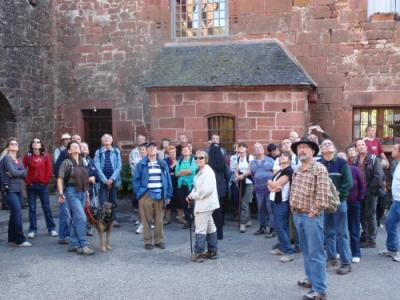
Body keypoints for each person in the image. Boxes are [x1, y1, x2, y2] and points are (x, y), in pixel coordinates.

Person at [290, 137, 330, 300]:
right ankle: (310, 279)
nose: (302, 150)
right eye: (300, 148)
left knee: (316, 253)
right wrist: (293, 209)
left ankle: (319, 290)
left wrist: (313, 213)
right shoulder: (297, 169)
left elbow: (323, 196)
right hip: (298, 215)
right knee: (306, 251)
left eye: (306, 147)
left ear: (313, 151)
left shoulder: (319, 169)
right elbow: (293, 190)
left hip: (311, 217)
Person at [318, 139, 353, 275]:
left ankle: (346, 263)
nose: (327, 145)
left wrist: (338, 196)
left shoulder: (342, 163)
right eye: (324, 144)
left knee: (342, 233)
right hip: (324, 203)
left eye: (330, 143)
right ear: (321, 149)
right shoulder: (318, 164)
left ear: (334, 148)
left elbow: (348, 183)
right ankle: (332, 258)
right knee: (328, 232)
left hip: (339, 203)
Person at [133, 142, 173, 250]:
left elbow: (168, 180)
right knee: (146, 220)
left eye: (154, 147)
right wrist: (139, 194)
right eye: (149, 148)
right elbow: (135, 180)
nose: (152, 149)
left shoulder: (163, 164)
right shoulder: (141, 164)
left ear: (157, 150)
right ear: (146, 151)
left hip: (160, 194)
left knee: (159, 219)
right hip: (146, 194)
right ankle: (147, 241)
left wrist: (168, 195)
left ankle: (159, 240)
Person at [57, 141, 94, 255]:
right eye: (73, 146)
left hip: (82, 191)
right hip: (71, 192)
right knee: (82, 218)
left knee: (76, 218)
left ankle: (73, 244)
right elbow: (60, 179)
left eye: (77, 146)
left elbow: (85, 177)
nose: (76, 148)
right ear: (69, 151)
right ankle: (82, 245)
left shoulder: (83, 161)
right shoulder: (66, 163)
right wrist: (61, 193)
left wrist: (87, 193)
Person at [186, 150, 219, 262]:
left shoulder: (207, 171)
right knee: (210, 227)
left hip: (205, 204)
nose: (198, 160)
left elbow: (206, 191)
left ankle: (198, 252)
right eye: (196, 158)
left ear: (206, 159)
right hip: (207, 204)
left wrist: (193, 196)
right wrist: (190, 195)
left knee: (200, 228)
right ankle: (212, 251)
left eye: (201, 158)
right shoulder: (201, 170)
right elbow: (197, 188)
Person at [23, 137, 57, 239]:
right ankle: (32, 229)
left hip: (43, 186)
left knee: (46, 208)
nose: (36, 143)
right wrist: (28, 182)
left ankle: (51, 228)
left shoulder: (46, 156)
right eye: (34, 142)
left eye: (38, 142)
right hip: (31, 185)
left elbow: (49, 171)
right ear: (31, 145)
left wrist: (45, 182)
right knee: (32, 208)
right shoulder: (28, 157)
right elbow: (22, 170)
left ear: (41, 145)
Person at [353, 138, 385, 248]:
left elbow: (379, 176)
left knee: (370, 215)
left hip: (371, 192)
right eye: (359, 145)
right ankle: (365, 235)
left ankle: (372, 240)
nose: (361, 146)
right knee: (362, 215)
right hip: (359, 192)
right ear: (356, 148)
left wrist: (370, 190)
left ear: (366, 147)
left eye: (363, 144)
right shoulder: (355, 160)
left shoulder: (373, 158)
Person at [0, 138, 30, 247]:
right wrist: (19, 173)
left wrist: (16, 173)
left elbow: (24, 173)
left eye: (15, 144)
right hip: (9, 190)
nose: (13, 145)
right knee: (17, 213)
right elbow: (14, 172)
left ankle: (11, 237)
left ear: (18, 147)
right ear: (8, 147)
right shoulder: (7, 159)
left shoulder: (18, 159)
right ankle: (20, 240)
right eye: (11, 144)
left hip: (18, 189)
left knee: (14, 213)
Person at [337, 152, 365, 264]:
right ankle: (339, 251)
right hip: (338, 203)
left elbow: (362, 186)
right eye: (339, 158)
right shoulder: (335, 172)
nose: (341, 160)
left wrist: (359, 199)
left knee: (354, 229)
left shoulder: (354, 169)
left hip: (353, 203)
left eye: (343, 157)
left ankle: (356, 253)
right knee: (339, 229)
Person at [268, 151, 295, 263]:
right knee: (281, 226)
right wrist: (271, 185)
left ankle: (289, 251)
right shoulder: (280, 171)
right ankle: (282, 248)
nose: (281, 157)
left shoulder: (288, 171)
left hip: (281, 202)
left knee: (279, 226)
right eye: (281, 156)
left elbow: (273, 184)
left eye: (285, 156)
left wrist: (269, 182)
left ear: (289, 160)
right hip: (274, 200)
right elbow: (271, 187)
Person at [94, 134, 122, 227]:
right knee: (103, 201)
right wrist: (105, 180)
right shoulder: (98, 152)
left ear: (112, 140)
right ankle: (105, 221)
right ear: (102, 141)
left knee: (113, 200)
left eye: (108, 138)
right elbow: (97, 167)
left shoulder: (116, 151)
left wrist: (112, 179)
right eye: (104, 138)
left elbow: (119, 166)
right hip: (103, 181)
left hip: (113, 179)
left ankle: (113, 219)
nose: (106, 139)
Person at [380, 143, 400, 262]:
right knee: (389, 223)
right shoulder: (397, 163)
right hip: (396, 201)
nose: (392, 150)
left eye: (394, 148)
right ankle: (392, 249)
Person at [249, 143, 275, 237]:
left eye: (260, 147)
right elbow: (252, 175)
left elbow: (275, 173)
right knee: (260, 209)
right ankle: (262, 227)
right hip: (258, 190)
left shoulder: (271, 160)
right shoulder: (252, 163)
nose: (258, 149)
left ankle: (272, 229)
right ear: (254, 152)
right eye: (256, 148)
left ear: (263, 150)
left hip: (270, 189)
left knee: (270, 209)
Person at [208, 143, 229, 240]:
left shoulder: (208, 164)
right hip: (220, 190)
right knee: (219, 212)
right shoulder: (222, 163)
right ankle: (220, 234)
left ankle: (212, 233)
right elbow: (227, 176)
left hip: (210, 190)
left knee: (211, 212)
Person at [175, 145, 197, 228]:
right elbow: (176, 173)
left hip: (190, 185)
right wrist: (185, 172)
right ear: (181, 152)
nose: (185, 151)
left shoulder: (193, 160)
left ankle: (195, 221)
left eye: (187, 150)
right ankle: (188, 221)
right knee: (184, 204)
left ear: (190, 151)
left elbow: (191, 171)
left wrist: (182, 172)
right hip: (181, 186)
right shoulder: (179, 161)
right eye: (183, 150)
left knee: (191, 204)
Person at [235, 142, 254, 233]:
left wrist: (242, 175)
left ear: (246, 148)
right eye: (240, 147)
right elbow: (236, 169)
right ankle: (248, 220)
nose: (241, 149)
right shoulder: (238, 158)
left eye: (243, 147)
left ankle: (242, 223)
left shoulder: (249, 157)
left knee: (244, 202)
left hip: (249, 182)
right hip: (241, 182)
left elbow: (250, 170)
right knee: (243, 201)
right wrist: (237, 176)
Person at [80, 142, 98, 236]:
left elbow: (96, 173)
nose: (83, 148)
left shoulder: (90, 160)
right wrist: (88, 178)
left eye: (85, 147)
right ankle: (81, 229)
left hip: (91, 189)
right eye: (81, 147)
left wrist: (94, 177)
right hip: (81, 189)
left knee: (90, 209)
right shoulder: (77, 160)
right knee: (82, 210)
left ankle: (89, 227)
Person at [133, 143, 148, 234]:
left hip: (150, 187)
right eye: (140, 149)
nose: (142, 151)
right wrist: (137, 189)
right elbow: (136, 176)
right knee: (141, 207)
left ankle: (147, 223)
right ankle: (142, 224)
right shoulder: (137, 161)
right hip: (141, 187)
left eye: (143, 149)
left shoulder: (151, 160)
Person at [164, 145, 179, 225]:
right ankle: (167, 218)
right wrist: (173, 165)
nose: (173, 154)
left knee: (178, 199)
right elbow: (165, 171)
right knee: (168, 201)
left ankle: (181, 217)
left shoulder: (179, 159)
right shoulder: (165, 161)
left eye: (174, 152)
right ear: (168, 154)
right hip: (169, 183)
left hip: (178, 182)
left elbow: (181, 170)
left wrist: (173, 173)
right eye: (171, 153)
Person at [229, 143, 240, 220]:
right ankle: (236, 214)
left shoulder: (246, 157)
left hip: (243, 179)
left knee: (242, 198)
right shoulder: (233, 157)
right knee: (235, 198)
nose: (238, 149)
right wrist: (237, 170)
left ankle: (242, 215)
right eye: (236, 147)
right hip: (234, 180)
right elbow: (231, 169)